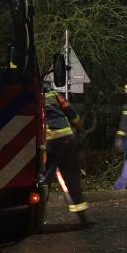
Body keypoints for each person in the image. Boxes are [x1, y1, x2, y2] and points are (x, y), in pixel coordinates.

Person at [40, 86, 92, 227]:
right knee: (72, 179)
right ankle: (83, 218)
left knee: (43, 180)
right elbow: (71, 113)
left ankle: (36, 219)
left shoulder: (31, 96)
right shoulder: (55, 94)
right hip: (68, 139)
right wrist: (79, 128)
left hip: (50, 142)